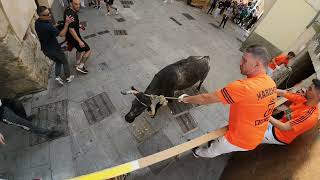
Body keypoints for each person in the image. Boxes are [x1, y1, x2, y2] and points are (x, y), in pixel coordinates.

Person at [179, 45, 277, 158]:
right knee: (220, 129)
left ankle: (197, 152)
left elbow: (205, 99)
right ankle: (213, 140)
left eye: (244, 60)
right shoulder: (271, 83)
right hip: (256, 133)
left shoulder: (244, 87)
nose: (240, 63)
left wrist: (186, 99)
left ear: (257, 64)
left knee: (214, 150)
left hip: (240, 139)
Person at [262, 80, 320, 145]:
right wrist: (264, 92)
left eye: (310, 89)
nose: (306, 89)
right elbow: (283, 93)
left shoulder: (309, 116)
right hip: (276, 124)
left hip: (279, 135)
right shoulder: (303, 99)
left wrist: (265, 114)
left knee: (251, 136)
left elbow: (284, 127)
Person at [35, 6, 75, 85]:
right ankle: (68, 77)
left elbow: (47, 30)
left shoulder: (37, 22)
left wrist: (55, 26)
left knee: (58, 61)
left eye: (49, 12)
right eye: (47, 14)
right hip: (54, 49)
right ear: (40, 16)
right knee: (64, 60)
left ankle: (57, 77)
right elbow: (62, 34)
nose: (50, 15)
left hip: (45, 50)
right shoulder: (47, 26)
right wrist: (66, 24)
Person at [64, 0, 91, 74]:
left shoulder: (68, 10)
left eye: (79, 4)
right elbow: (71, 29)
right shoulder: (71, 14)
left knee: (79, 49)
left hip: (71, 36)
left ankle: (78, 62)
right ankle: (80, 66)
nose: (78, 6)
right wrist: (79, 41)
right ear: (70, 3)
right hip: (74, 37)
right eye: (76, 4)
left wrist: (79, 26)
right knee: (88, 50)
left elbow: (71, 24)